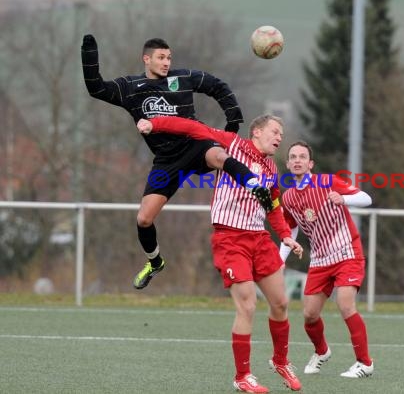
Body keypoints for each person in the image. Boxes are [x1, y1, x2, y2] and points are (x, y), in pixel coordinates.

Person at [81, 35, 272, 290]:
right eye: (161, 57)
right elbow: (97, 89)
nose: (166, 62)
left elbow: (217, 86)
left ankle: (254, 185)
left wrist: (233, 120)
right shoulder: (130, 87)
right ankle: (155, 262)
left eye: (169, 57)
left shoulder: (182, 78)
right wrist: (89, 54)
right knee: (144, 219)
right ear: (146, 59)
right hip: (166, 161)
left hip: (195, 144)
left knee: (219, 157)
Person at [138, 114, 303, 393]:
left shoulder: (271, 168)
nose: (279, 138)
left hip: (260, 239)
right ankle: (242, 376)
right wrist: (155, 124)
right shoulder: (231, 144)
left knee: (281, 303)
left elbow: (273, 206)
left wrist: (285, 235)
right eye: (275, 132)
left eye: (281, 135)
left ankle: (280, 361)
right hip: (230, 239)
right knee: (247, 306)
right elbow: (193, 128)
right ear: (257, 131)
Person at [279, 141, 375, 378]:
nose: (297, 160)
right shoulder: (289, 197)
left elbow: (366, 198)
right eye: (293, 157)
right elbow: (289, 230)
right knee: (309, 315)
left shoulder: (327, 181)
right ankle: (321, 351)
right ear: (288, 163)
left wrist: (344, 199)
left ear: (310, 163)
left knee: (345, 303)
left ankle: (365, 363)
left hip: (347, 252)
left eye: (303, 157)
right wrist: (280, 261)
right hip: (320, 259)